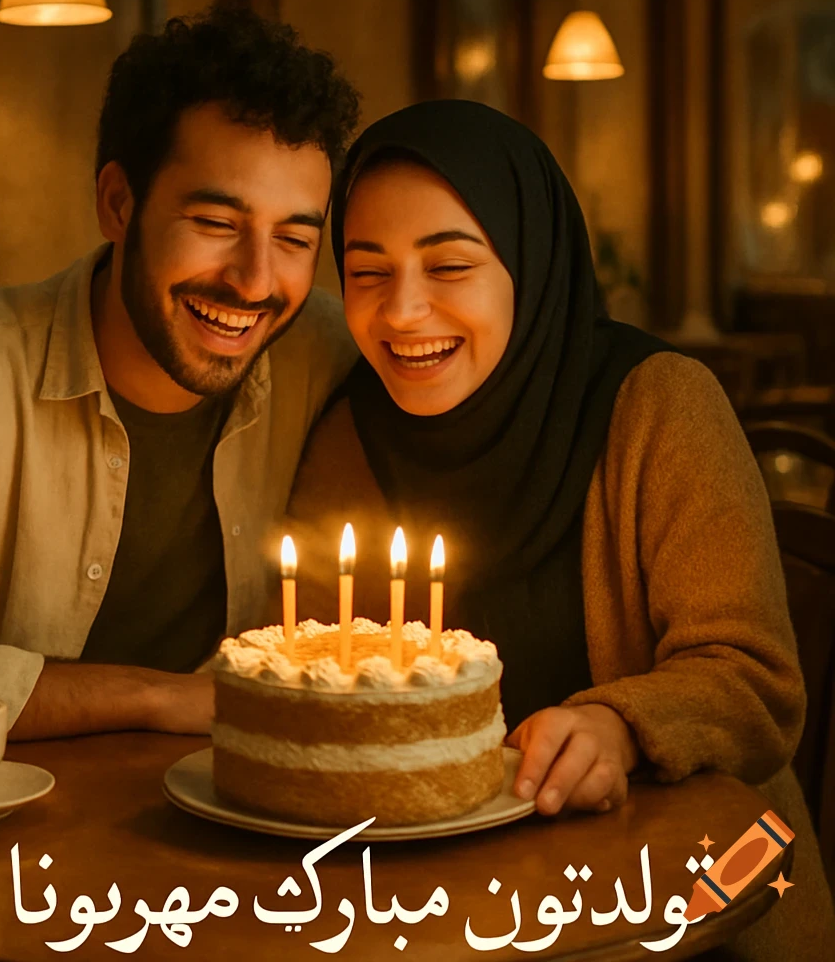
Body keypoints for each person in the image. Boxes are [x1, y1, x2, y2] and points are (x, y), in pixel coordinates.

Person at [283, 100, 834, 959]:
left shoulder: (658, 406)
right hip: (426, 909)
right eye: (367, 272)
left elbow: (758, 683)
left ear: (530, 264)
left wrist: (623, 724)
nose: (403, 311)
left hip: (694, 905)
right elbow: (316, 676)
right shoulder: (349, 435)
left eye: (450, 266)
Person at [0, 7, 361, 751]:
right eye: (215, 223)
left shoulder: (328, 353)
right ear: (118, 204)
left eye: (294, 238)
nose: (256, 280)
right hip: (6, 819)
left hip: (239, 805)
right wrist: (158, 697)